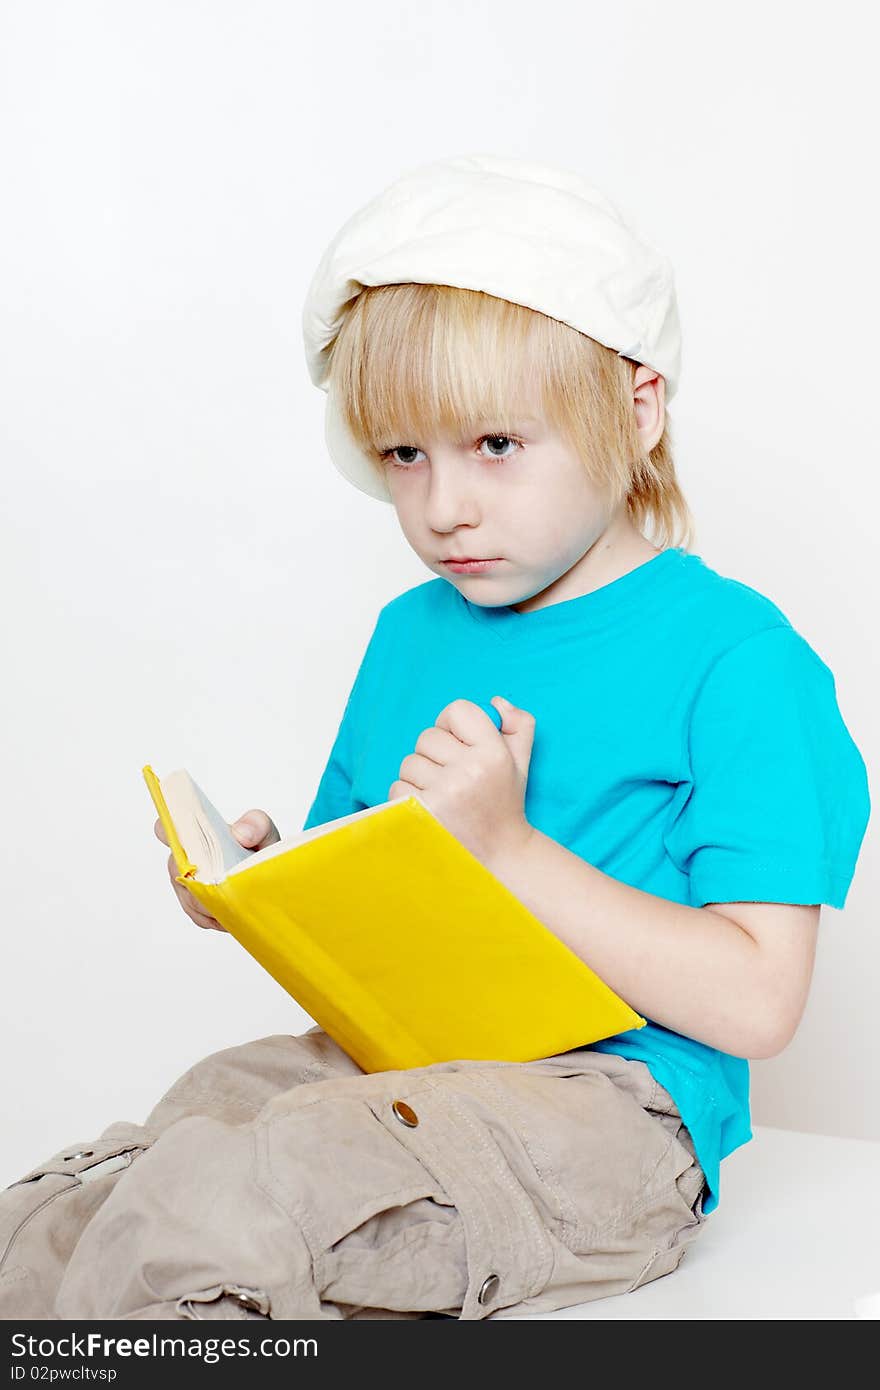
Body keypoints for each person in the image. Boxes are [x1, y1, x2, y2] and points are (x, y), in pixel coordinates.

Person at [0, 154, 870, 1322]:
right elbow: (374, 899)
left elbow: (761, 1002)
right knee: (133, 1162)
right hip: (400, 1056)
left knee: (230, 1209)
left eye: (495, 446)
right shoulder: (411, 634)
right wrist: (255, 884)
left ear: (636, 407)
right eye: (403, 454)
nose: (441, 505)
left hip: (608, 1106)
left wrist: (510, 850)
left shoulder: (737, 656)